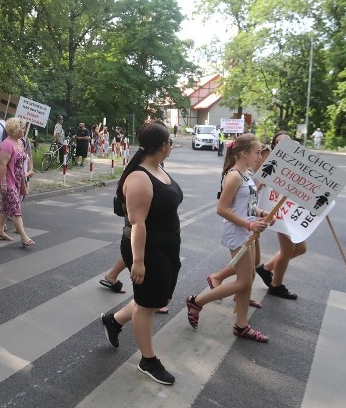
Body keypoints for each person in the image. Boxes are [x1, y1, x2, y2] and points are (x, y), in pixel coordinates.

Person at [99, 122, 181, 385]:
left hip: (167, 246)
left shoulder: (158, 169)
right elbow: (137, 224)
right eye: (170, 142)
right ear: (162, 146)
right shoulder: (139, 178)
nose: (172, 147)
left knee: (156, 299)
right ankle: (148, 360)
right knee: (148, 306)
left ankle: (114, 320)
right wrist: (138, 262)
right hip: (147, 251)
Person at [186, 134, 270, 343]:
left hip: (246, 230)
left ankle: (241, 324)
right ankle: (197, 302)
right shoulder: (233, 176)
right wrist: (250, 224)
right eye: (257, 152)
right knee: (243, 282)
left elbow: (248, 205)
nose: (260, 157)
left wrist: (260, 214)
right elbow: (222, 209)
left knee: (248, 278)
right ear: (244, 153)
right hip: (237, 232)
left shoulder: (247, 174)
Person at [253, 132, 305, 299]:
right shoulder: (272, 163)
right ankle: (276, 285)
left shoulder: (298, 163)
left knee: (301, 249)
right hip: (280, 212)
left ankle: (266, 268)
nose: (284, 142)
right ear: (275, 146)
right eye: (279, 141)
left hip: (294, 211)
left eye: (287, 140)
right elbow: (259, 185)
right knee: (288, 249)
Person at [0, 118, 34, 247]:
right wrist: (4, 183)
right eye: (21, 128)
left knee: (6, 206)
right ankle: (24, 236)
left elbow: (21, 163)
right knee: (16, 208)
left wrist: (23, 182)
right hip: (8, 181)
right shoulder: (7, 144)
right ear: (14, 129)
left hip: (17, 180)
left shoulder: (20, 142)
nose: (23, 130)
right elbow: (2, 165)